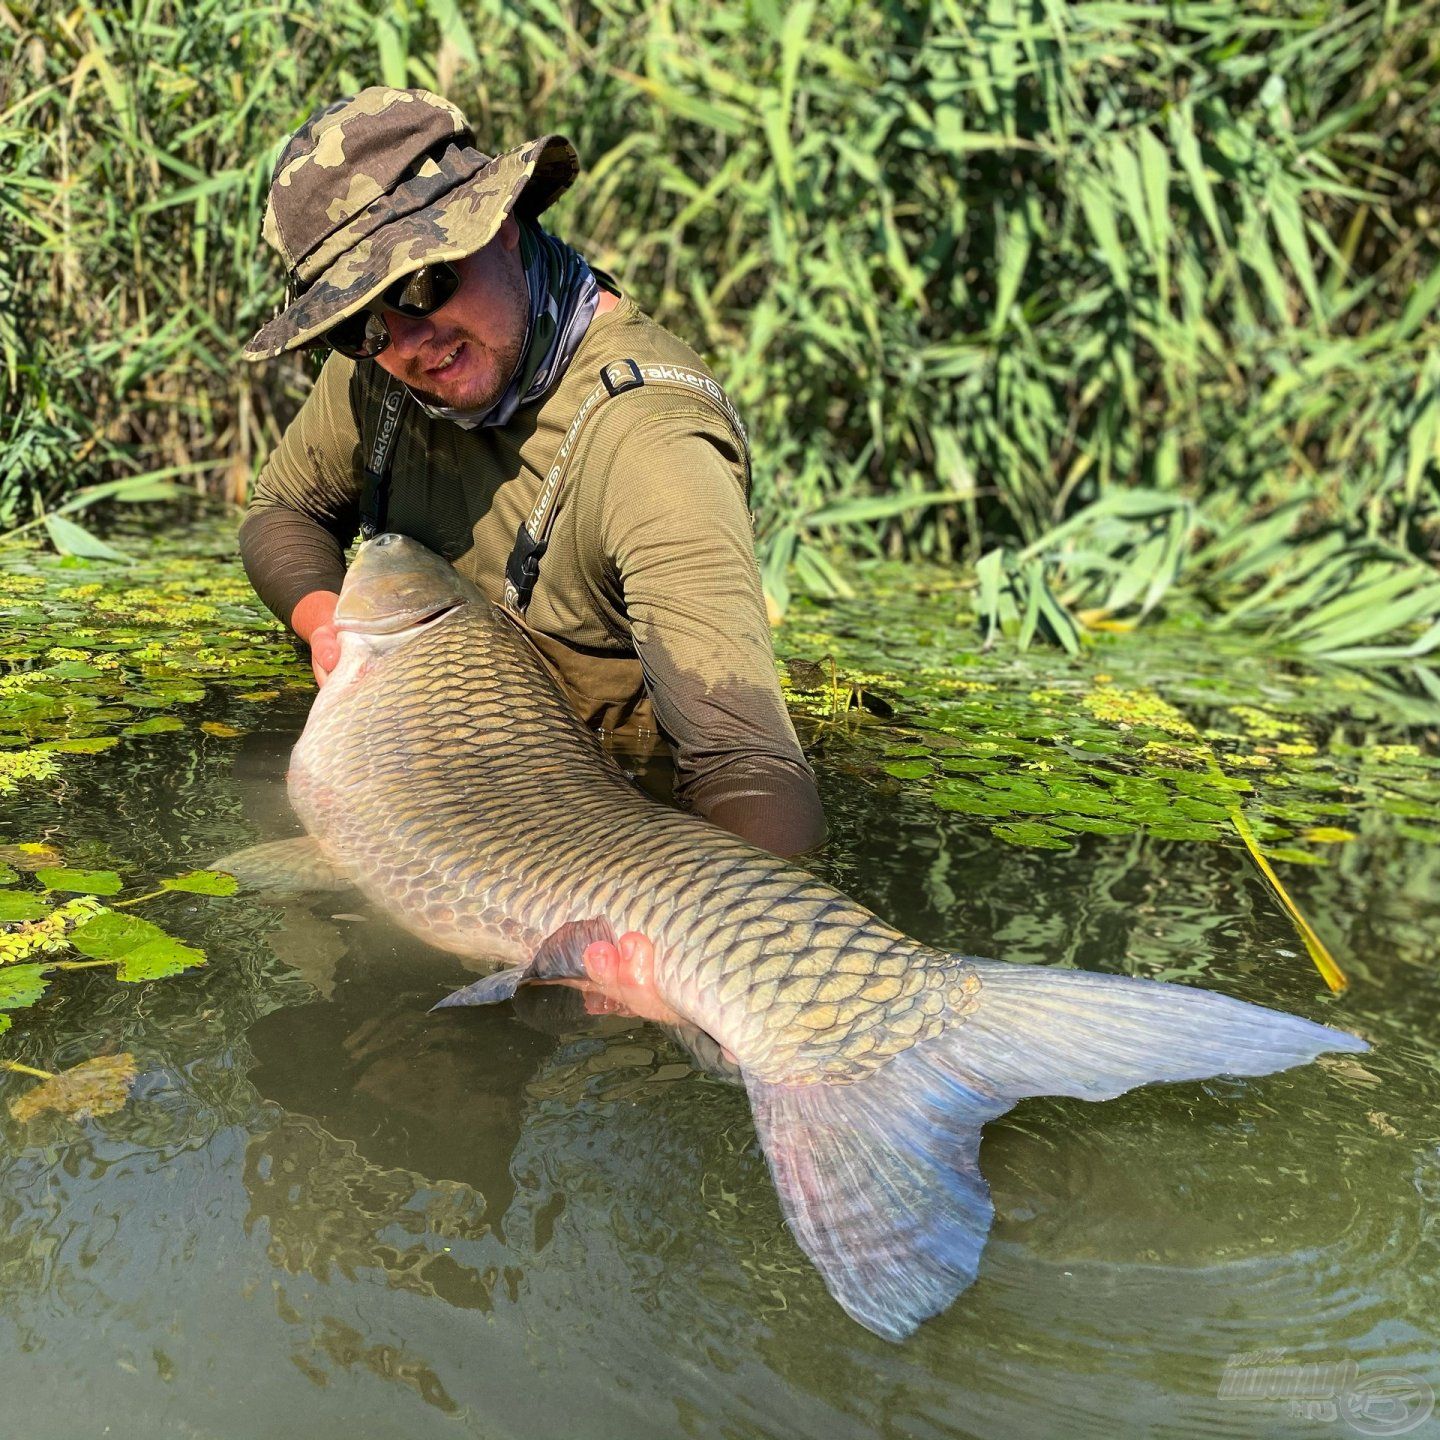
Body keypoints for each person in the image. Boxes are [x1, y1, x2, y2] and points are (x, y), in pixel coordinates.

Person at [239, 86, 826, 858]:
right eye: (361, 323)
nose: (412, 341)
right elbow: (282, 509)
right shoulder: (379, 369)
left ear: (503, 224)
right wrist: (332, 634)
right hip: (440, 791)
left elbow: (746, 766)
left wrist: (711, 947)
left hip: (605, 829)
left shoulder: (649, 445)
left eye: (424, 282)